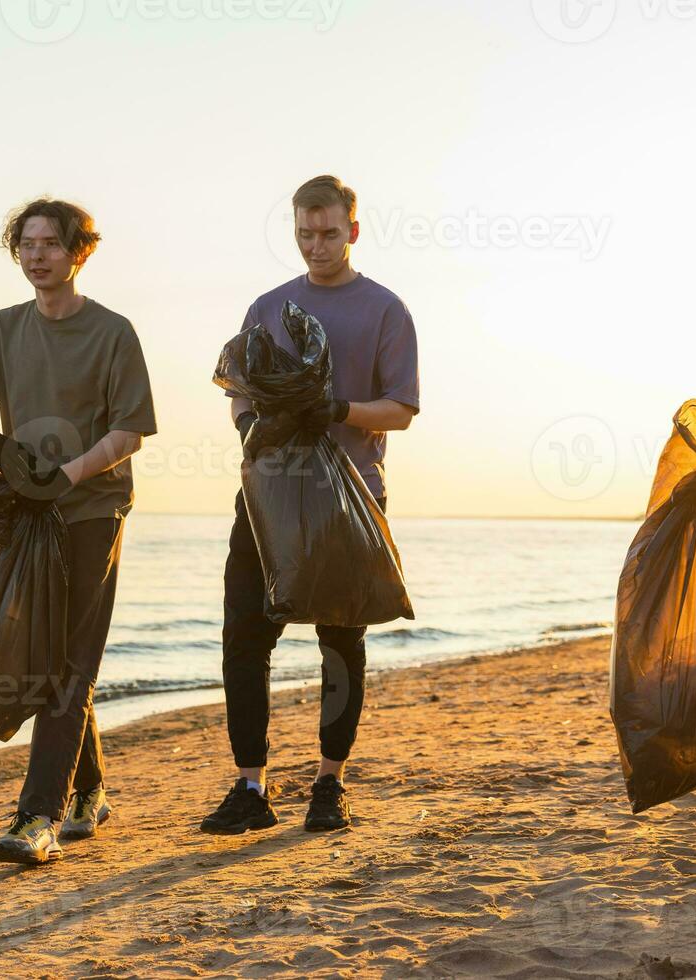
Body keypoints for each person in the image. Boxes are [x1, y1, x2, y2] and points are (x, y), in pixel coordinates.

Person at [200, 175, 420, 835]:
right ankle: (251, 787)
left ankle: (329, 784)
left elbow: (403, 409)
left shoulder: (384, 310)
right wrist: (247, 427)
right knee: (244, 636)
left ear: (353, 230)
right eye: (304, 233)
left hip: (347, 497)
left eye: (328, 233)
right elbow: (237, 387)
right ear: (294, 229)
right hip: (267, 498)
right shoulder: (267, 306)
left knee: (339, 641)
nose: (315, 245)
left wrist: (336, 410)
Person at [0, 198, 157, 864]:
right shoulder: (2, 328)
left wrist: (69, 474)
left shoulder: (113, 332)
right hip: (26, 515)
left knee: (71, 661)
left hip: (94, 511)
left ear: (79, 252)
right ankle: (91, 790)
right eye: (26, 245)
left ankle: (36, 817)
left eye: (49, 244)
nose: (36, 255)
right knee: (38, 651)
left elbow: (129, 432)